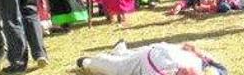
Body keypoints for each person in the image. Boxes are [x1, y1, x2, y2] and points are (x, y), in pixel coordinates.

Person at [76, 40, 228, 75]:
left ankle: (120, 48)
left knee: (127, 58)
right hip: (153, 57)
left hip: (159, 53)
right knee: (119, 68)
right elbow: (221, 68)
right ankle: (87, 62)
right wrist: (197, 51)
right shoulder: (204, 65)